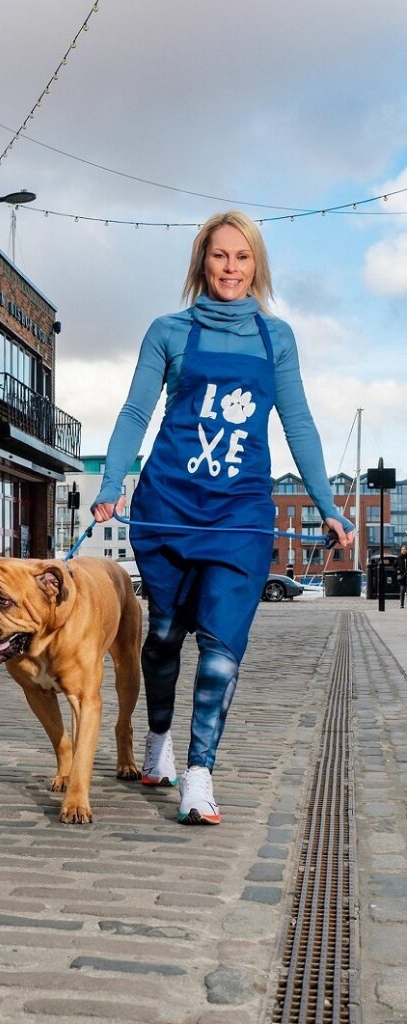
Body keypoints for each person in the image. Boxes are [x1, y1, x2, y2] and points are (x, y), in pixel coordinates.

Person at [92, 210, 354, 826]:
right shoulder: (168, 331)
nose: (231, 268)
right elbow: (135, 413)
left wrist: (328, 506)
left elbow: (300, 424)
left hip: (240, 513)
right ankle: (158, 741)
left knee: (220, 647)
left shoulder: (276, 337)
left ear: (256, 265)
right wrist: (110, 485)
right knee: (162, 636)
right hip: (169, 507)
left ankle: (200, 774)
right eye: (219, 256)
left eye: (242, 257)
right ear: (201, 263)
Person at [397, 545, 407, 609]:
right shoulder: (399, 558)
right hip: (402, 577)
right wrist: (398, 570)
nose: (403, 550)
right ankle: (402, 604)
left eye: (404, 549)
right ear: (401, 550)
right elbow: (394, 565)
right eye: (402, 549)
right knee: (402, 590)